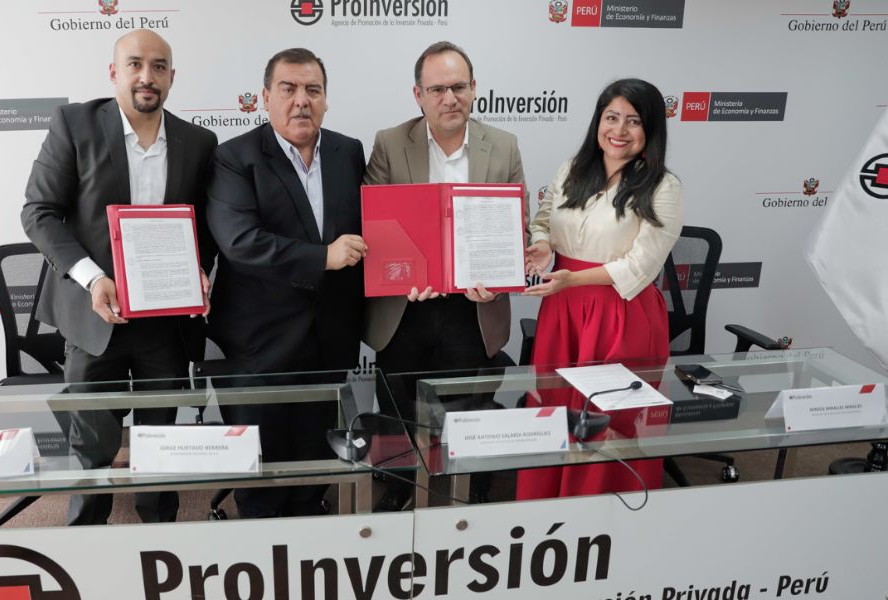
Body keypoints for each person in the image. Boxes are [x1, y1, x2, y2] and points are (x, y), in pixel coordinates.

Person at [21, 30, 217, 525]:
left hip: (165, 320)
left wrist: (198, 269)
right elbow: (39, 212)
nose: (146, 76)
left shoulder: (199, 142)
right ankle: (87, 530)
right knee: (92, 443)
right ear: (114, 72)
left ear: (172, 77)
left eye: (158, 67)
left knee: (159, 439)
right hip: (95, 314)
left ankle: (160, 529)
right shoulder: (75, 125)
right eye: (134, 64)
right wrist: (91, 278)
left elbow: (206, 225)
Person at [363, 41, 528, 510]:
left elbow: (517, 226)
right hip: (406, 306)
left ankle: (470, 479)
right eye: (437, 89)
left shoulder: (504, 146)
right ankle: (398, 482)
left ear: (474, 88)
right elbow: (374, 223)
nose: (449, 98)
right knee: (397, 402)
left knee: (470, 403)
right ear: (419, 95)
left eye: (458, 87)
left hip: (473, 308)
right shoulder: (390, 142)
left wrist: (499, 277)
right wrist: (401, 276)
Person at [206, 48, 366, 518]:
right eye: (288, 89)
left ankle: (309, 525)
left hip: (330, 338)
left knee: (314, 463)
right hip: (260, 344)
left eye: (313, 90)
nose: (301, 101)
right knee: (261, 473)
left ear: (326, 99)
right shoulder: (234, 157)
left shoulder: (348, 151)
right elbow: (241, 242)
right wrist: (324, 257)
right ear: (265, 97)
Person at [516, 78, 683, 500]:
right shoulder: (573, 169)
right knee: (553, 405)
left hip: (620, 313)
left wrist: (573, 278)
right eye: (611, 117)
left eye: (633, 121)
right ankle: (544, 499)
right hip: (562, 308)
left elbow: (641, 265)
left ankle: (601, 511)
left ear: (650, 130)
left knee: (608, 415)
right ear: (598, 122)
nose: (619, 130)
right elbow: (544, 219)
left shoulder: (663, 186)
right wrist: (543, 245)